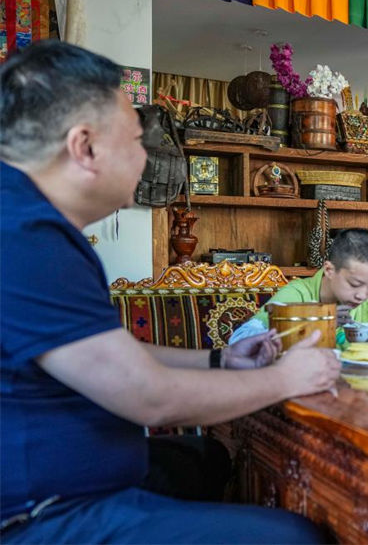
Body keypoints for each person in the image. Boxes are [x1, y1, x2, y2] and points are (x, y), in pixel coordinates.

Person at [0, 40, 340, 543]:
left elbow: (110, 356)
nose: (147, 157)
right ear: (84, 146)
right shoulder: (25, 237)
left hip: (70, 482)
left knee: (201, 460)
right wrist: (288, 378)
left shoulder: (25, 218)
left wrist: (221, 360)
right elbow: (147, 398)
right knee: (295, 537)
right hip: (40, 514)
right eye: (137, 140)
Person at [230, 228, 368, 347]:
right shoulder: (297, 294)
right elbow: (240, 340)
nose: (362, 295)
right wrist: (319, 324)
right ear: (329, 269)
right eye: (354, 284)